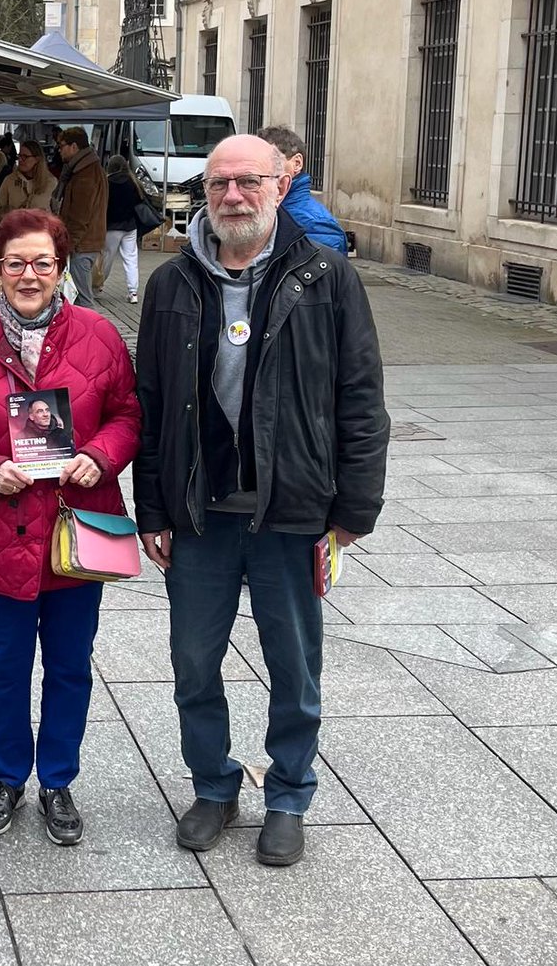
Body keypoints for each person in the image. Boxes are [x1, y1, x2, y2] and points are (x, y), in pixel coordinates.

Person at [133, 134, 389, 867]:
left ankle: (288, 794)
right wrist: (151, 507)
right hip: (201, 513)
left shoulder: (326, 277)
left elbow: (361, 398)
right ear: (203, 195)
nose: (233, 197)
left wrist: (352, 510)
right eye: (219, 185)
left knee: (295, 666)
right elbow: (150, 402)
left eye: (249, 182)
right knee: (193, 661)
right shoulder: (171, 285)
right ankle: (213, 785)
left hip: (294, 512)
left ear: (282, 185)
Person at [0, 208, 140, 847]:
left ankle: (58, 779)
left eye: (42, 262)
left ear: (59, 267)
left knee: (71, 664)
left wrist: (98, 456)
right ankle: (7, 775)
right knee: (4, 661)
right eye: (15, 262)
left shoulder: (99, 335)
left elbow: (129, 415)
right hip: (2, 524)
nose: (28, 274)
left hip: (79, 523)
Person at [256, 126, 348, 255]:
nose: (259, 169)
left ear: (297, 163)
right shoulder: (261, 207)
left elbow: (318, 272)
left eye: (269, 161)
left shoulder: (316, 224)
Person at [50, 128, 107, 308]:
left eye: (62, 146)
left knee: (82, 298)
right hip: (85, 242)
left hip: (82, 245)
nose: (59, 150)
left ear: (74, 146)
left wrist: (69, 244)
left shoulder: (86, 173)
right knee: (79, 295)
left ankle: (90, 333)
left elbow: (80, 215)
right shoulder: (83, 168)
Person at [102, 154, 144, 304]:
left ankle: (98, 285)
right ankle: (133, 293)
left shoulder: (106, 183)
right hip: (130, 226)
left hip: (112, 227)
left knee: (107, 257)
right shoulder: (133, 182)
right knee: (131, 259)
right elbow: (140, 200)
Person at [0, 140, 57, 216]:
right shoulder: (9, 181)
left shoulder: (51, 182)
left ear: (37, 159)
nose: (20, 160)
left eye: (25, 157)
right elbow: (0, 209)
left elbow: (57, 212)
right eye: (19, 156)